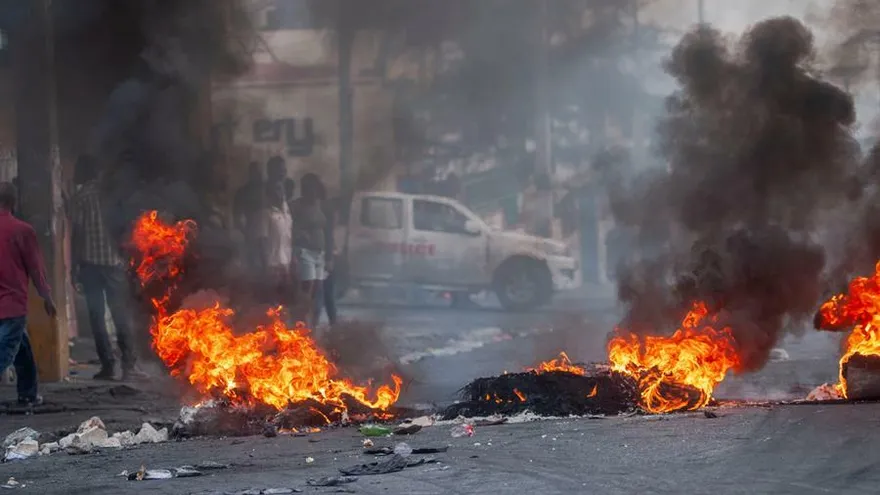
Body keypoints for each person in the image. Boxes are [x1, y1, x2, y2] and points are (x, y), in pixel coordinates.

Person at [69, 155, 146, 381]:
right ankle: (129, 366)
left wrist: (74, 266)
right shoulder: (111, 197)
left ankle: (109, 366)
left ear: (84, 173)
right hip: (114, 265)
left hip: (90, 265)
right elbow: (126, 230)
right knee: (120, 314)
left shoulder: (80, 198)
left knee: (97, 317)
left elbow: (77, 234)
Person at [0, 181, 56, 406]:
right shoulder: (22, 230)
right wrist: (47, 297)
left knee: (22, 346)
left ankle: (28, 393)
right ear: (14, 202)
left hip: (7, 305)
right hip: (12, 304)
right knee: (5, 351)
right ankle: (28, 393)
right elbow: (36, 269)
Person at [290, 173, 327, 326]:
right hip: (304, 251)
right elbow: (288, 226)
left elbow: (327, 227)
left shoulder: (320, 205)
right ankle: (300, 322)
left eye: (315, 189)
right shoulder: (296, 206)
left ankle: (311, 324)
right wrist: (299, 234)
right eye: (309, 189)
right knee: (307, 287)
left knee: (317, 289)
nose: (313, 193)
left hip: (319, 253)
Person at [262, 183, 294, 308]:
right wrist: (265, 264)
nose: (279, 194)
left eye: (281, 190)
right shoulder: (266, 214)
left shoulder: (287, 214)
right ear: (269, 195)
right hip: (272, 263)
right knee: (272, 299)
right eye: (276, 190)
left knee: (285, 299)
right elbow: (262, 240)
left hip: (286, 262)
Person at [233, 162, 266, 272]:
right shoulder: (243, 192)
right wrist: (246, 232)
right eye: (255, 172)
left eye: (259, 172)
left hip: (270, 237)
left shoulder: (267, 190)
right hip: (251, 234)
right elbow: (237, 217)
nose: (258, 175)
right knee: (254, 268)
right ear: (250, 174)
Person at [312, 192, 338, 326]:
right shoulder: (320, 214)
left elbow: (329, 238)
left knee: (323, 295)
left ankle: (328, 326)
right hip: (322, 258)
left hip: (324, 258)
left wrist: (329, 258)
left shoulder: (322, 214)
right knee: (325, 296)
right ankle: (332, 326)